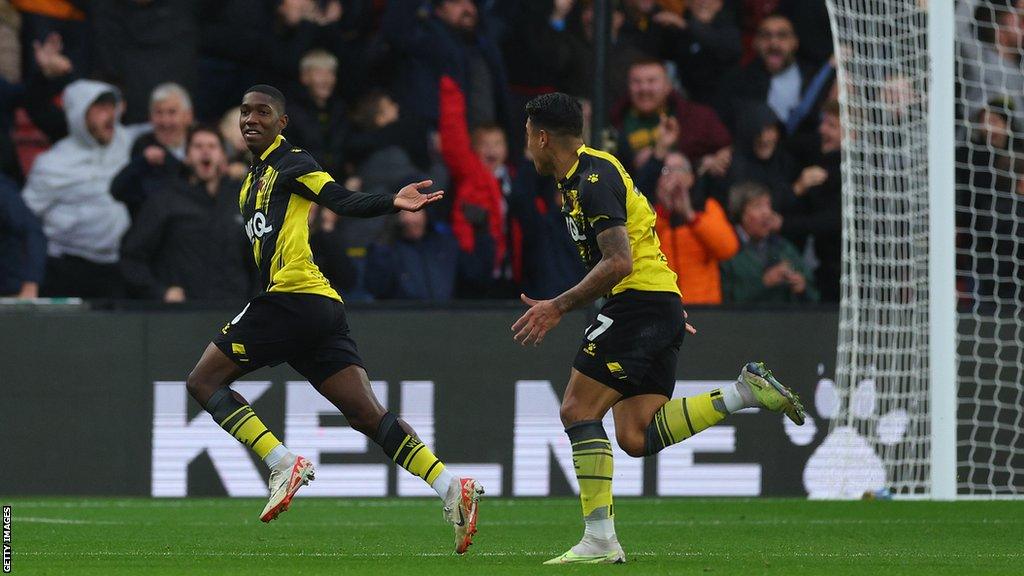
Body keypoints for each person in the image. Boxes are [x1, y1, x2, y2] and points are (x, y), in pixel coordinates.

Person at [183, 85, 483, 554]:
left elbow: (339, 199)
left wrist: (391, 202)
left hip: (293, 297)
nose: (250, 119)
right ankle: (450, 486)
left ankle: (281, 462)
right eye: (244, 112)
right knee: (367, 414)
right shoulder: (247, 185)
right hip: (315, 309)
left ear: (282, 122)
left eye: (262, 112)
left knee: (202, 381)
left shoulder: (295, 163)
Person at [514, 93, 805, 564]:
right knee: (635, 434)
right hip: (654, 302)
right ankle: (743, 393)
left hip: (639, 301)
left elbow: (620, 260)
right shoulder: (582, 177)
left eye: (528, 136)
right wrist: (665, 306)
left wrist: (559, 307)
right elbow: (642, 241)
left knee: (576, 409)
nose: (526, 145)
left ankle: (600, 539)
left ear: (543, 137)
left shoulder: (592, 180)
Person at [21, 79, 147, 298]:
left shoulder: (126, 142)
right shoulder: (53, 163)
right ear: (79, 114)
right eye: (99, 108)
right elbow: (25, 219)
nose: (109, 115)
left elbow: (168, 130)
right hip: (66, 269)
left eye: (111, 107)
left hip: (116, 267)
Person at [120, 126, 254, 302]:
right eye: (198, 146)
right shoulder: (166, 199)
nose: (205, 152)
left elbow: (259, 261)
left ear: (223, 156)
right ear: (187, 157)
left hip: (233, 312)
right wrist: (160, 292)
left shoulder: (242, 199)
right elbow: (132, 257)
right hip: (183, 315)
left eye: (212, 146)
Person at [653, 152, 739, 304]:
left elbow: (728, 248)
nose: (672, 176)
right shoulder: (652, 214)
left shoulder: (707, 208)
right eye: (666, 170)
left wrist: (691, 217)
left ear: (691, 178)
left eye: (678, 169)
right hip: (664, 308)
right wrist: (664, 212)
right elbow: (640, 248)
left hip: (704, 308)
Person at [720, 181, 818, 304]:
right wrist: (764, 282)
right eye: (758, 206)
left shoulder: (784, 248)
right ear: (741, 213)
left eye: (768, 206)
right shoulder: (726, 251)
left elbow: (814, 296)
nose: (766, 213)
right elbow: (725, 300)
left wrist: (802, 287)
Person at [110, 83, 195, 219]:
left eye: (172, 112)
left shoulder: (202, 141)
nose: (165, 121)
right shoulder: (143, 146)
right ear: (150, 117)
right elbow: (119, 190)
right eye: (159, 113)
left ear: (188, 116)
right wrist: (142, 161)